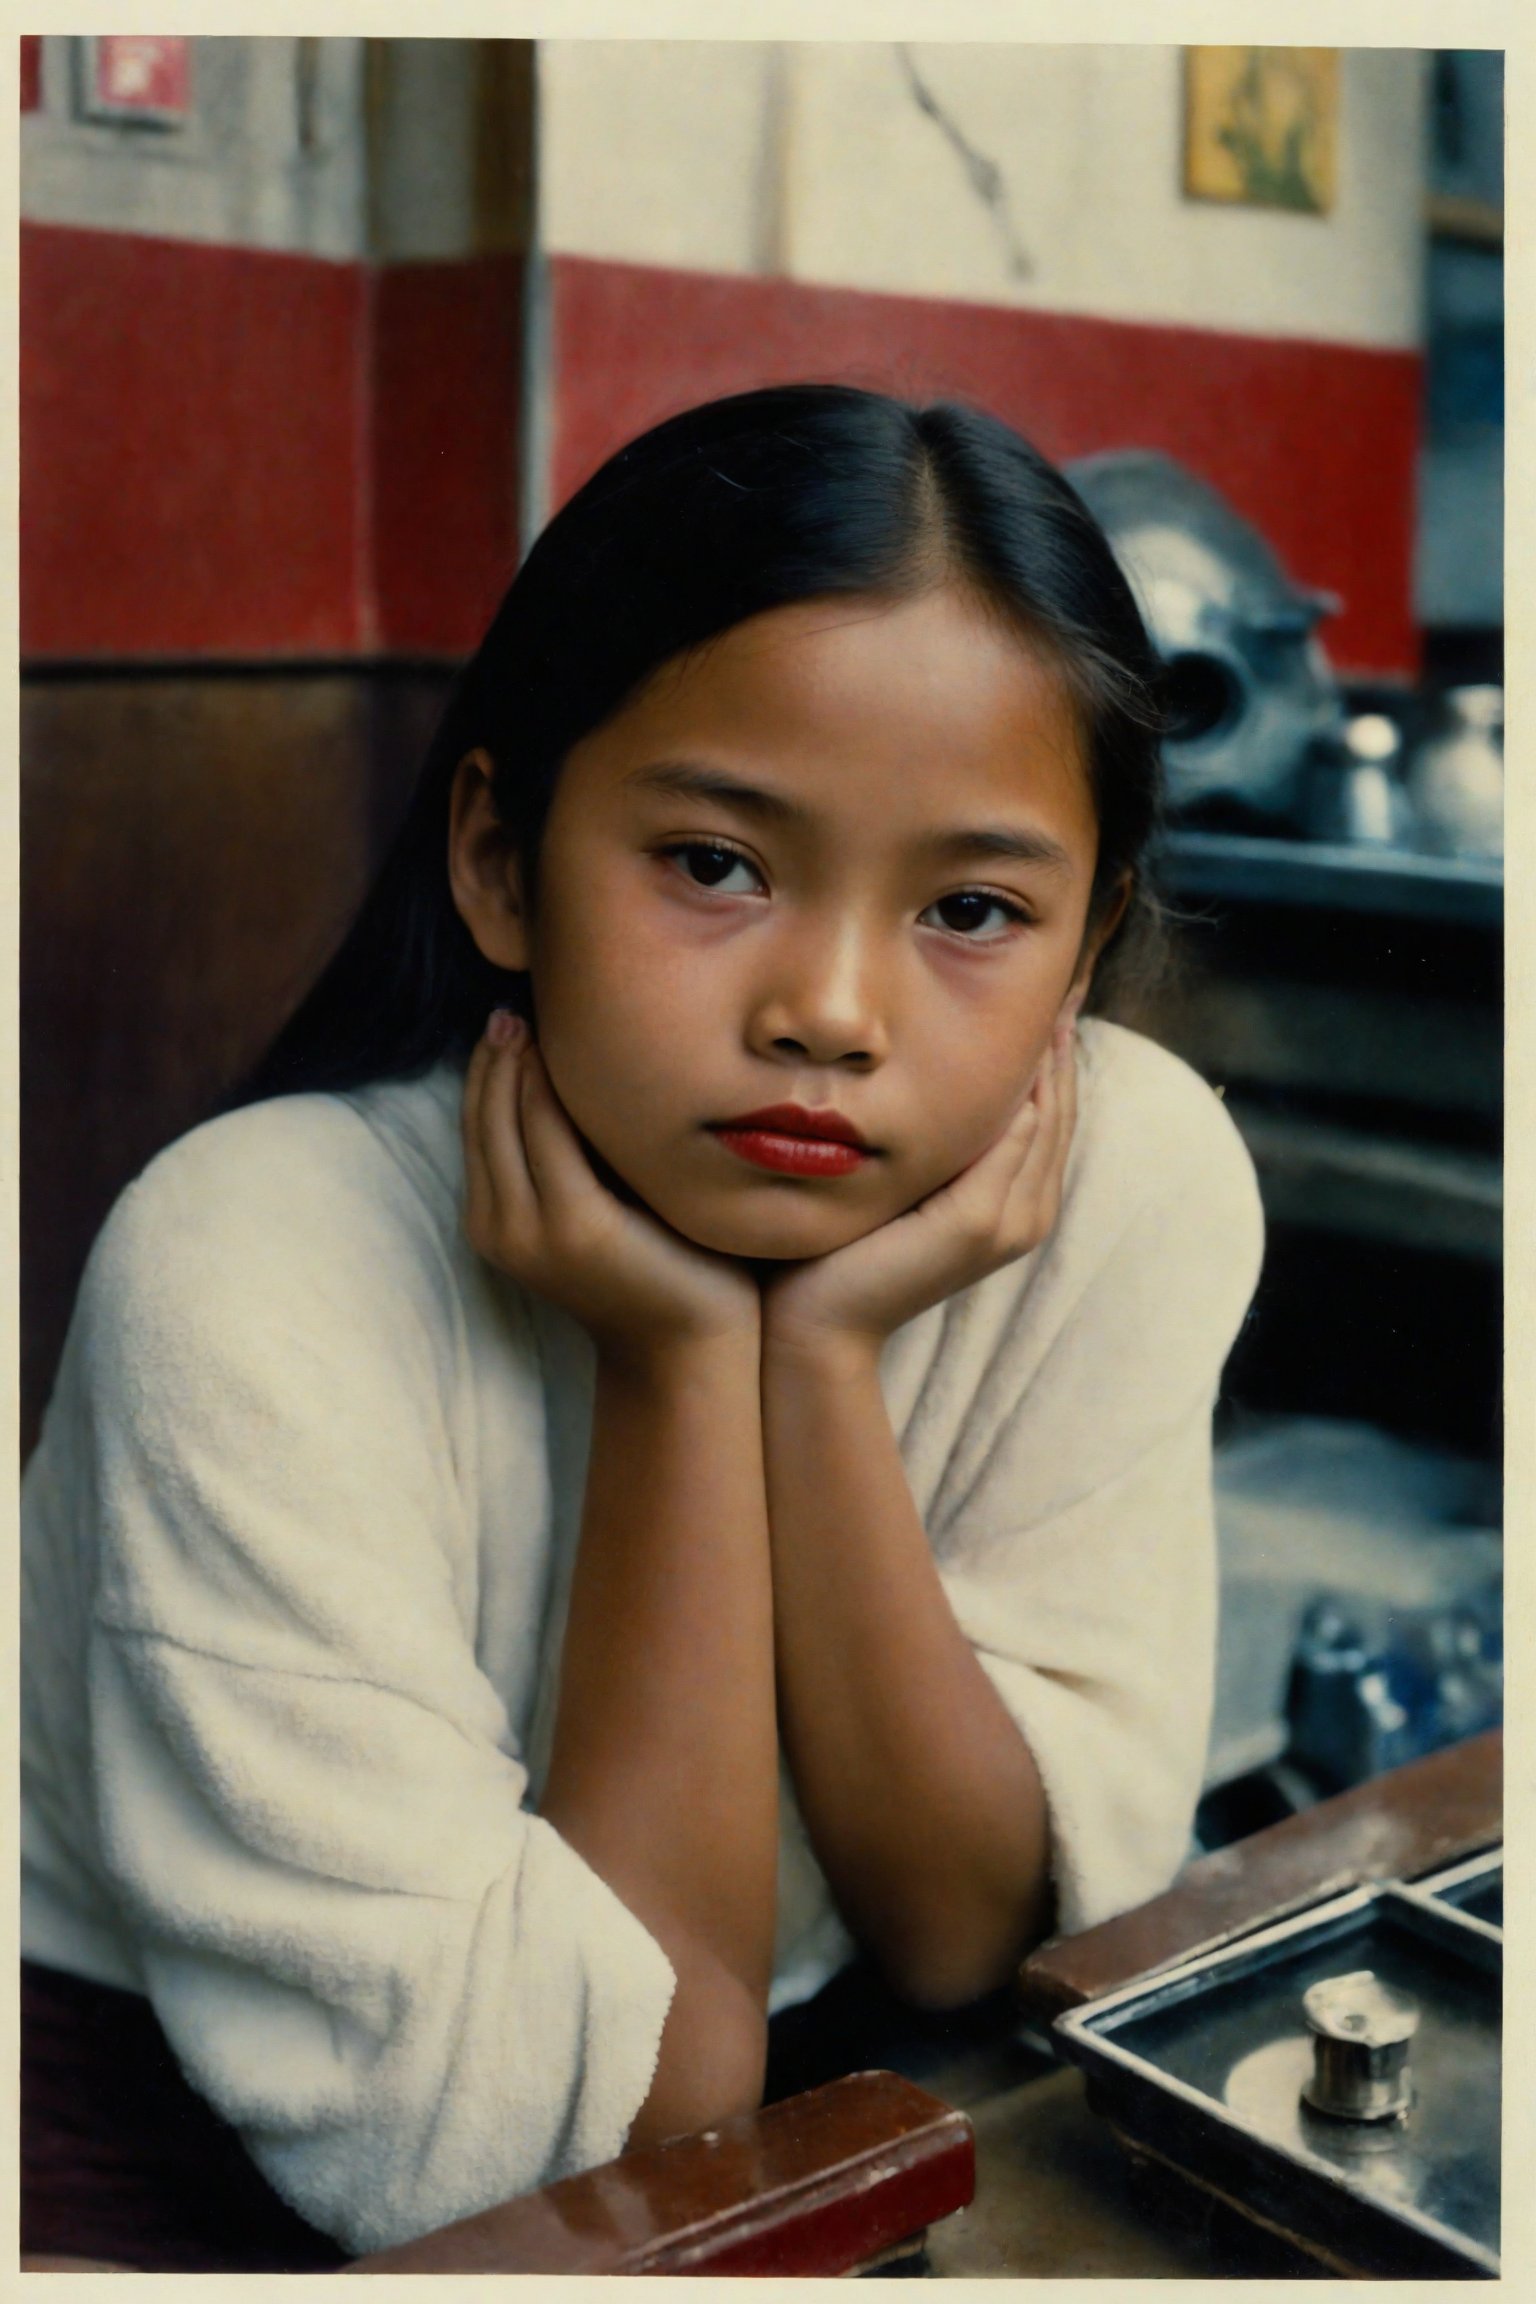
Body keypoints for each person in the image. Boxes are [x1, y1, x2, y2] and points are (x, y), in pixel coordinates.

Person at [20, 384, 1264, 2268]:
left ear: (1085, 954)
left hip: (751, 2096)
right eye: (715, 864)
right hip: (155, 2150)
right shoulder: (249, 1262)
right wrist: (682, 1356)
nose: (830, 1009)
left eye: (974, 908)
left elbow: (960, 1934)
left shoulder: (1128, 1177)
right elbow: (604, 2136)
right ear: (502, 861)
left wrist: (817, 1361)